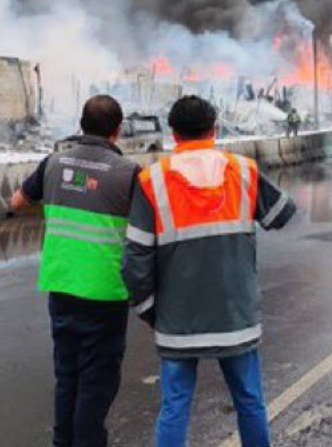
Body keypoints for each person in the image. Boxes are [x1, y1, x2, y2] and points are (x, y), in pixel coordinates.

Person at [123, 96, 297, 447]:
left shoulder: (151, 180)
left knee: (175, 406)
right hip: (236, 315)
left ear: (173, 133)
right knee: (249, 401)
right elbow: (282, 213)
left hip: (178, 320)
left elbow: (135, 261)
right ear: (215, 129)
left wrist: (149, 311)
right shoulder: (244, 170)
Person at [10, 95, 140, 447]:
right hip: (104, 292)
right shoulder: (128, 173)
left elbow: (17, 202)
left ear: (81, 124)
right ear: (117, 130)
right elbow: (149, 227)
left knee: (67, 377)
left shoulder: (53, 162)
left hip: (61, 285)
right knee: (95, 386)